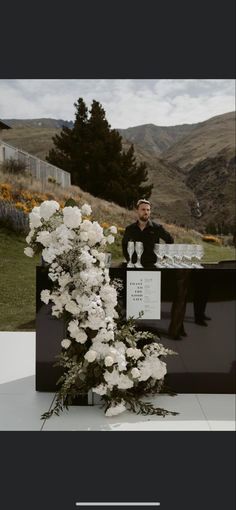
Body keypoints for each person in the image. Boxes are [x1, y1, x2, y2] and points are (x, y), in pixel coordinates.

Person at [122, 199, 174, 267]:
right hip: (134, 266)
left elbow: (170, 240)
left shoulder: (157, 228)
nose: (146, 212)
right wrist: (129, 260)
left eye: (148, 210)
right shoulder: (130, 229)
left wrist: (163, 258)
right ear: (137, 211)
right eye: (143, 209)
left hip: (153, 266)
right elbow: (124, 245)